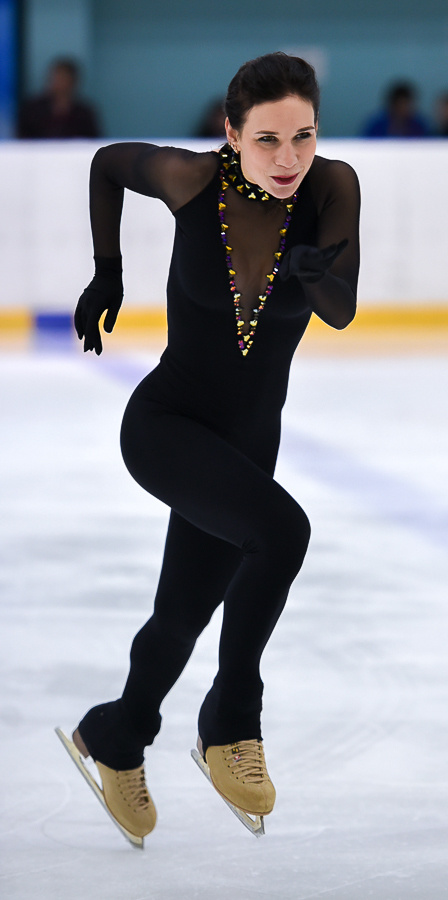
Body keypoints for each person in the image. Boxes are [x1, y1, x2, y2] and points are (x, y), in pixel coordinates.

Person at [58, 51, 360, 845]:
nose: (288, 157)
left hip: (245, 445)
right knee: (282, 533)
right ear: (231, 134)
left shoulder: (331, 188)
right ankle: (231, 721)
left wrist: (314, 272)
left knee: (182, 615)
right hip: (166, 427)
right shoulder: (188, 179)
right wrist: (106, 273)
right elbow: (104, 164)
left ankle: (118, 730)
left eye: (302, 135)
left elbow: (340, 310)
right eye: (266, 139)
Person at [18, 57, 101, 139]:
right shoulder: (32, 109)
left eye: (63, 78)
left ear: (73, 81)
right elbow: (23, 138)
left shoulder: (84, 112)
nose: (58, 83)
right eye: (56, 78)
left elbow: (92, 140)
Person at [361, 80, 429, 138]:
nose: (403, 109)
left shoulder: (419, 127)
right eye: (400, 104)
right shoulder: (376, 126)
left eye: (406, 104)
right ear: (392, 105)